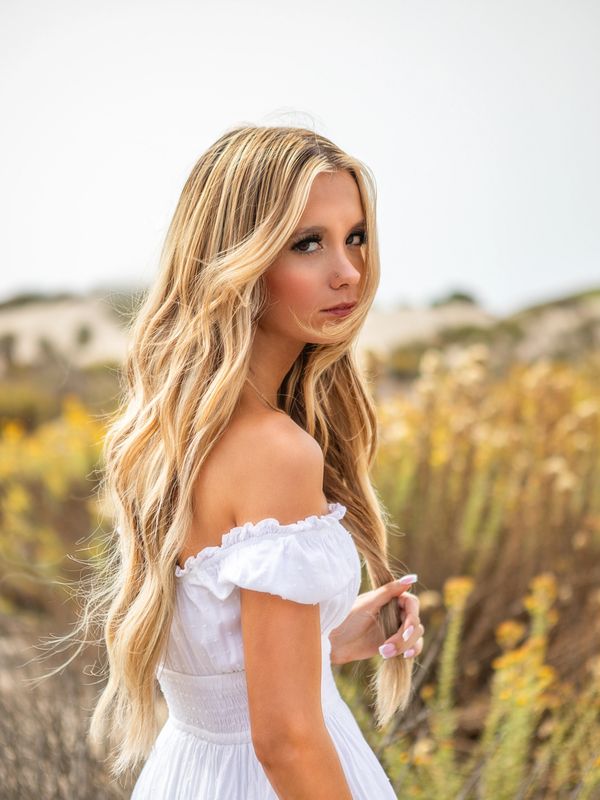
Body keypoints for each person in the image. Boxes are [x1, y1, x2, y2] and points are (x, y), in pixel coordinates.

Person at [40, 124, 425, 798]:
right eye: (308, 243)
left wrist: (326, 635)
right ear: (237, 259)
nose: (348, 271)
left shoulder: (178, 429)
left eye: (355, 236)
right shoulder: (276, 453)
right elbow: (286, 742)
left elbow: (216, 674)